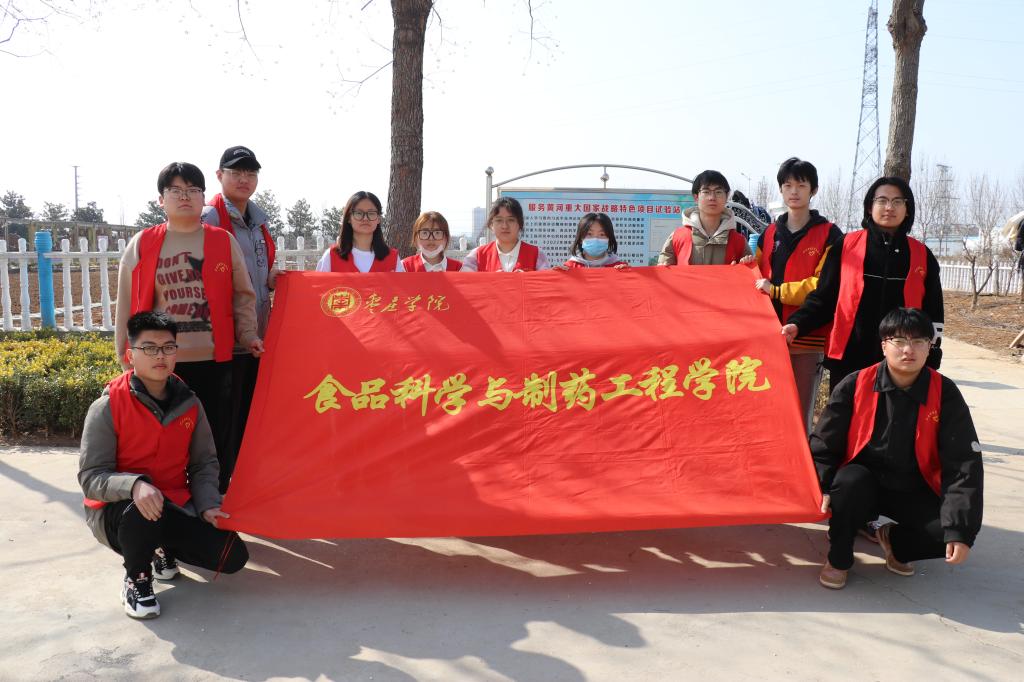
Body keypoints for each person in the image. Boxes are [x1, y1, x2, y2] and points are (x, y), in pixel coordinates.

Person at [80, 312, 249, 618]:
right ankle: (136, 579)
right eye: (149, 348)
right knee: (142, 510)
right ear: (131, 355)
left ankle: (161, 549)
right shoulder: (108, 406)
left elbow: (204, 463)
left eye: (168, 347)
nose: (160, 355)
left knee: (232, 556)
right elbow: (91, 477)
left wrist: (208, 504)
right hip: (119, 511)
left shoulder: (190, 403)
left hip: (172, 504)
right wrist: (134, 485)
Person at [114, 162, 263, 492]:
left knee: (216, 440)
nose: (185, 197)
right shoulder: (142, 244)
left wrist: (248, 335)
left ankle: (213, 501)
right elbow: (126, 305)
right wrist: (126, 356)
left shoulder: (222, 241)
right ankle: (169, 505)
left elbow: (243, 295)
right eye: (176, 191)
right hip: (162, 363)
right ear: (161, 199)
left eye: (193, 190)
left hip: (216, 361)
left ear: (203, 197)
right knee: (163, 440)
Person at [811, 308, 983, 589]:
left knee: (949, 532)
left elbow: (963, 462)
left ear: (930, 347)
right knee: (847, 484)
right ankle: (839, 558)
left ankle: (896, 544)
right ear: (884, 346)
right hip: (862, 482)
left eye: (918, 341)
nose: (908, 350)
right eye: (899, 341)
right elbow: (825, 442)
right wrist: (823, 484)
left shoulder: (945, 393)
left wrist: (960, 528)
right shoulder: (856, 384)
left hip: (913, 486)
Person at [782, 176, 944, 393]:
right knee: (845, 414)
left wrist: (932, 353)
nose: (889, 207)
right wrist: (798, 324)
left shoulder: (922, 255)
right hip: (849, 360)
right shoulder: (846, 246)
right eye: (882, 200)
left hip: (903, 362)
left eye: (897, 201)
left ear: (907, 209)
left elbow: (934, 313)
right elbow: (823, 298)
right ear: (869, 207)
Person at [201, 146, 279, 488]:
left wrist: (273, 279)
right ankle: (218, 488)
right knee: (222, 420)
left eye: (251, 173)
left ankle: (241, 484)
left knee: (248, 415)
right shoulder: (210, 219)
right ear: (220, 176)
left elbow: (256, 273)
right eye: (236, 172)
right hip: (222, 339)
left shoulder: (259, 222)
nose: (244, 179)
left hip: (255, 337)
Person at [754, 158, 842, 431]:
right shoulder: (769, 233)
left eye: (801, 185)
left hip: (808, 337)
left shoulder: (830, 234)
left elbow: (822, 285)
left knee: (800, 411)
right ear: (781, 189)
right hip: (768, 335)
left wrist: (777, 291)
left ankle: (801, 457)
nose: (794, 191)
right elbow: (756, 276)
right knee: (768, 408)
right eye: (788, 185)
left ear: (813, 190)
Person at [657, 170, 753, 266]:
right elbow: (664, 272)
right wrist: (664, 267)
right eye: (706, 192)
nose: (712, 197)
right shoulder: (677, 238)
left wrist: (746, 266)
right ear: (696, 197)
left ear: (727, 196)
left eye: (718, 192)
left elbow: (751, 273)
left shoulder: (738, 242)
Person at [315, 191, 404, 273]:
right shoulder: (331, 256)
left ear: (378, 219)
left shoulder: (392, 258)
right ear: (348, 218)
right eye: (359, 213)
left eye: (371, 213)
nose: (365, 218)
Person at [460, 197, 552, 272]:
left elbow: (546, 284)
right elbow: (465, 284)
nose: (505, 226)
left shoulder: (537, 255)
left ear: (520, 224)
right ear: (491, 225)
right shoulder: (477, 256)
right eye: (499, 220)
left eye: (511, 220)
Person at [562, 212, 630, 269]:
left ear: (609, 239)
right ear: (580, 238)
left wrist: (628, 274)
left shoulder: (619, 267)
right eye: (589, 234)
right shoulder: (570, 267)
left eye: (602, 234)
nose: (595, 239)